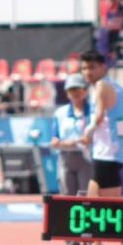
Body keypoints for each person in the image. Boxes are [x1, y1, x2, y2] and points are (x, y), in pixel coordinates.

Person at [79, 51, 123, 204]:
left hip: (106, 154)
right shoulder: (118, 87)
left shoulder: (100, 85)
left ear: (103, 67)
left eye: (92, 67)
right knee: (92, 204)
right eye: (84, 68)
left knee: (109, 208)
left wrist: (88, 134)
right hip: (112, 154)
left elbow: (98, 116)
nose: (87, 72)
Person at [50, 74, 94, 209]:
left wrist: (71, 142)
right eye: (71, 90)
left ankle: (85, 228)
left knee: (85, 196)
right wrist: (74, 142)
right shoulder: (60, 113)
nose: (75, 93)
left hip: (87, 159)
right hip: (66, 159)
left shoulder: (94, 111)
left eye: (78, 89)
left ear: (85, 91)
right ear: (67, 93)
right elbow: (54, 140)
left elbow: (93, 137)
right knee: (67, 195)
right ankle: (67, 227)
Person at [96, 0, 123, 64]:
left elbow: (115, 11)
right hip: (107, 25)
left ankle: (113, 57)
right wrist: (105, 24)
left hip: (113, 25)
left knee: (113, 43)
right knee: (106, 43)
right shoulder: (103, 2)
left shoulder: (114, 1)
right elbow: (103, 14)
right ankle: (108, 58)